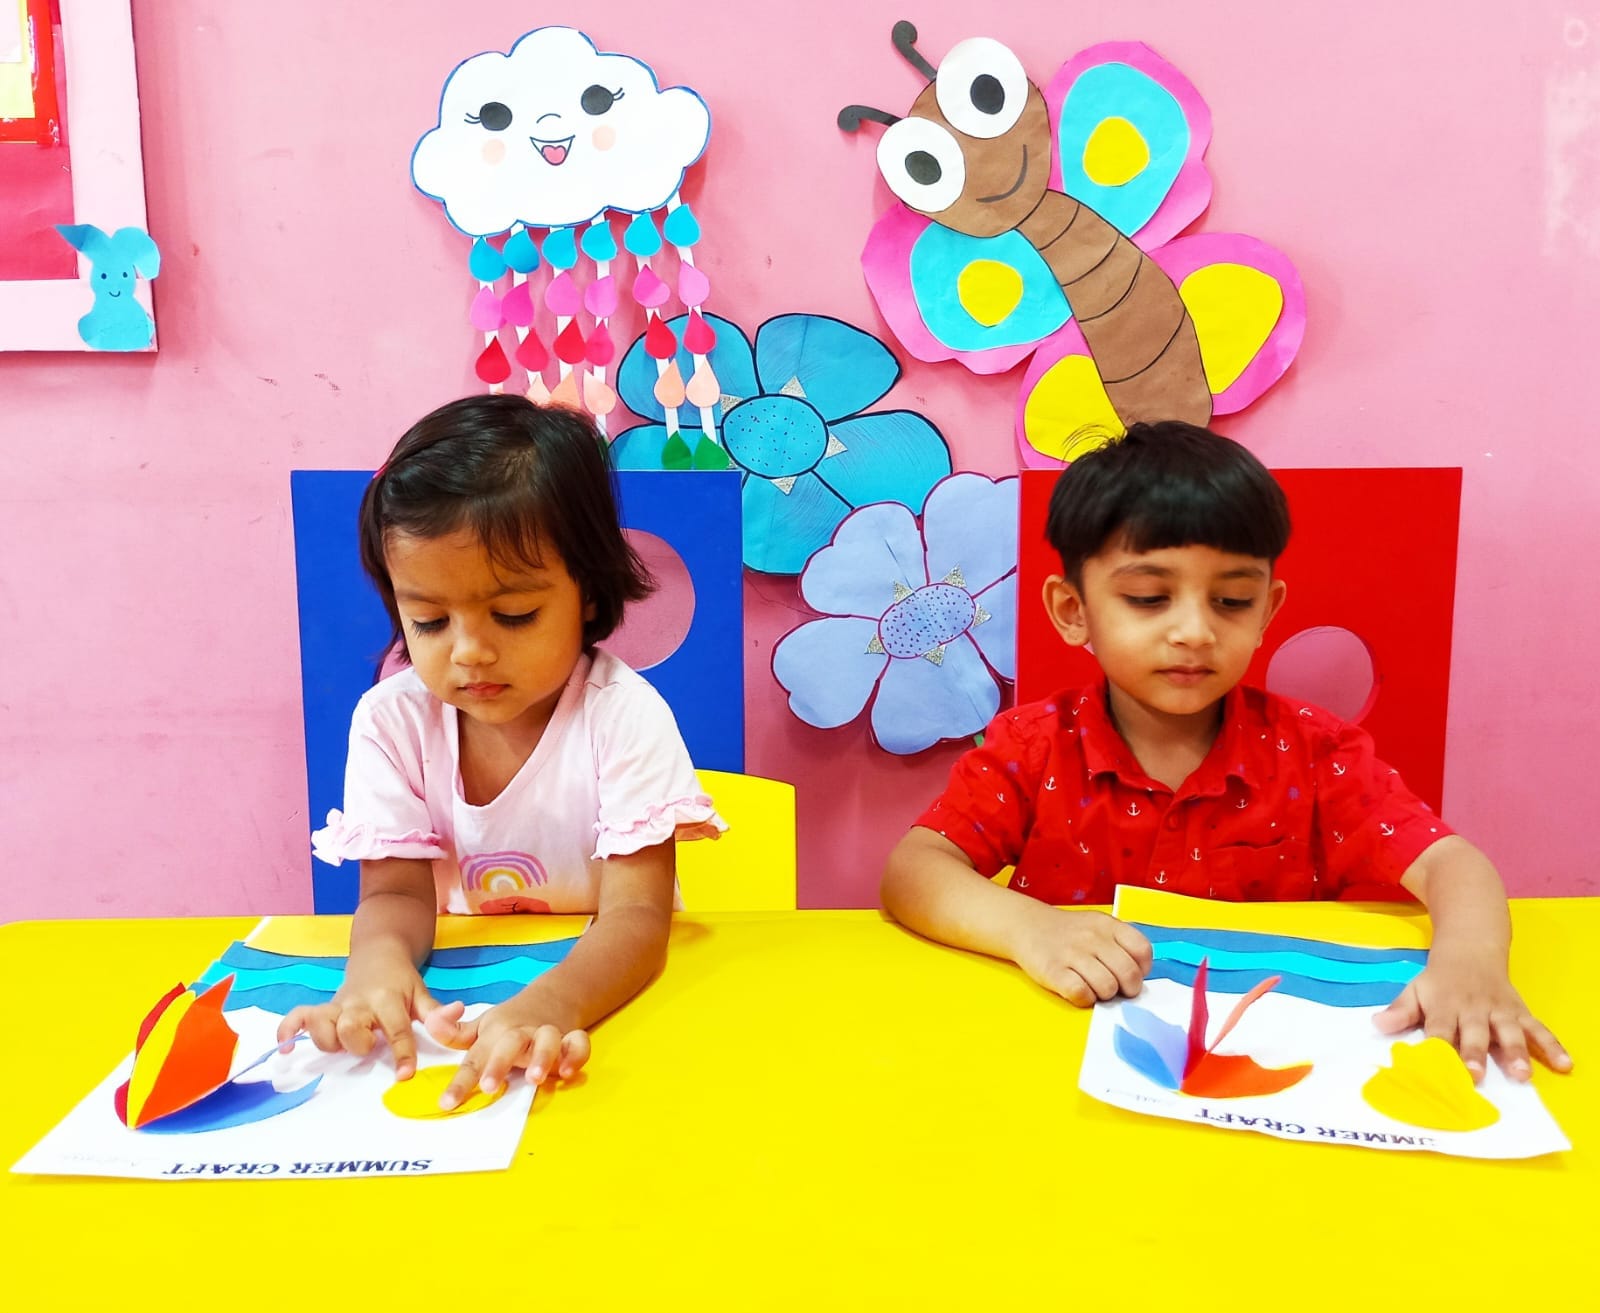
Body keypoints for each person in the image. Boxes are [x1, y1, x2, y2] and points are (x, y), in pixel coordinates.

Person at [881, 421, 1571, 1083]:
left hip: (1263, 1059)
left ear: (1268, 609)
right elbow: (914, 870)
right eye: (1149, 597)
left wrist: (1472, 960)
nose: (1194, 630)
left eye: (1232, 600)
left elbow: (1452, 863)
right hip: (1058, 1048)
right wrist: (1030, 929)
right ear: (1073, 611)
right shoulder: (1034, 746)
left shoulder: (1316, 752)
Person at [279, 394, 723, 1109]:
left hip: (605, 1001)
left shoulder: (622, 714)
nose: (469, 651)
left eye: (514, 614)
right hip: (464, 996)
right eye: (429, 620)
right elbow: (394, 894)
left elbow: (638, 919)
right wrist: (377, 967)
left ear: (587, 593)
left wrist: (552, 1004)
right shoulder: (391, 721)